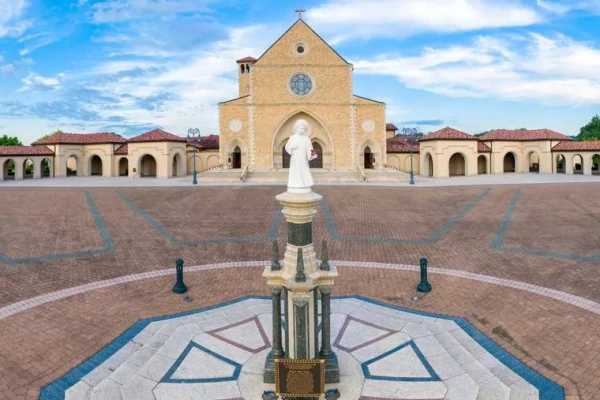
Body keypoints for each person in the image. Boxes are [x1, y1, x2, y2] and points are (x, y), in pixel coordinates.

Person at [285, 119, 317, 193]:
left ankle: (305, 184)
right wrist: (291, 147)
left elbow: (310, 148)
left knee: (304, 171)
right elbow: (287, 146)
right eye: (300, 128)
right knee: (295, 172)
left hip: (303, 159)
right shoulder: (292, 137)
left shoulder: (306, 139)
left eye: (303, 129)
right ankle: (294, 185)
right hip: (295, 159)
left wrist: (312, 155)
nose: (301, 130)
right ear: (296, 128)